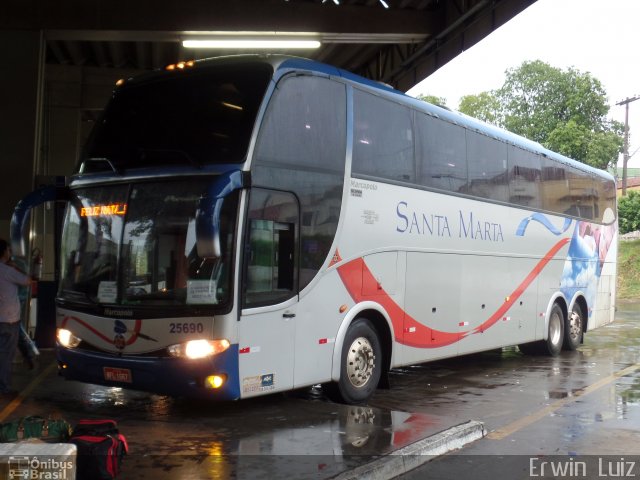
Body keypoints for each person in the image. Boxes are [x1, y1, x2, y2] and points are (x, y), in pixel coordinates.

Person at [0, 239, 31, 397]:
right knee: (6, 356)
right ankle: (4, 387)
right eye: (8, 250)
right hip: (8, 320)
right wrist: (15, 266)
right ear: (5, 252)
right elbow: (28, 280)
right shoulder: (8, 270)